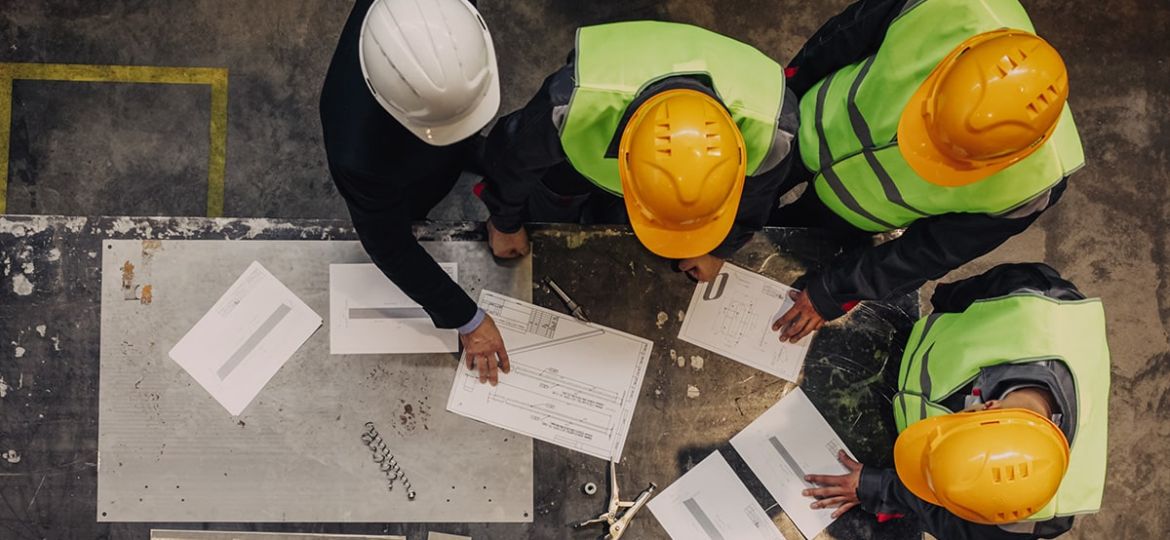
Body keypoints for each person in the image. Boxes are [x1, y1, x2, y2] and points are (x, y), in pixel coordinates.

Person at [770, 0, 1085, 342]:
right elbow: (838, 39)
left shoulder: (1032, 185)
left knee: (788, 244)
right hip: (807, 122)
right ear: (949, 67)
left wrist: (831, 292)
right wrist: (780, 106)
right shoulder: (948, 8)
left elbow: (927, 253)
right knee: (750, 193)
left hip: (854, 210)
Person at [802, 263, 1109, 539]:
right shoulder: (1033, 300)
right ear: (988, 406)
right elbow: (961, 296)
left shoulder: (1030, 511)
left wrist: (878, 488)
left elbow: (956, 523)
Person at [479, 21, 800, 280]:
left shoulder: (774, 129)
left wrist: (718, 248)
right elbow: (512, 157)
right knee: (551, 209)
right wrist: (505, 222)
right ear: (623, 155)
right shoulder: (572, 104)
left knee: (621, 226)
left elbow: (756, 201)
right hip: (574, 163)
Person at [320, 0, 510, 385]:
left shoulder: (443, 21)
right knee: (413, 208)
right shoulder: (357, 151)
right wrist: (467, 320)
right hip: (401, 168)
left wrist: (508, 208)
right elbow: (390, 246)